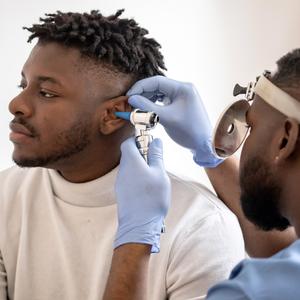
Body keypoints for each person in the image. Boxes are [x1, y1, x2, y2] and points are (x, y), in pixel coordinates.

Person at [0, 9, 246, 300]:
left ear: (112, 116)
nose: (16, 104)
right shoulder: (6, 197)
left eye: (47, 93)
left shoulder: (199, 226)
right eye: (22, 85)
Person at [105, 49, 300, 299]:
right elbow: (282, 251)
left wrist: (135, 239)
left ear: (285, 140)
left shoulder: (249, 293)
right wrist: (207, 152)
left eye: (251, 125)